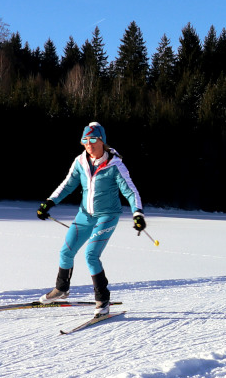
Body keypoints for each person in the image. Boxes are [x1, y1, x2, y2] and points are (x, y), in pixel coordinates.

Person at [36, 122, 146, 316]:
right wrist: (49, 202)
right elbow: (68, 184)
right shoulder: (80, 161)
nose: (89, 144)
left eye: (93, 140)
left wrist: (137, 213)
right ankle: (61, 289)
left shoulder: (115, 165)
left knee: (91, 255)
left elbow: (130, 191)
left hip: (107, 216)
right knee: (66, 251)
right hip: (85, 215)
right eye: (85, 140)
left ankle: (103, 300)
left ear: (102, 141)